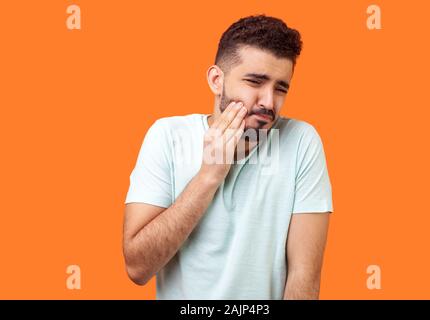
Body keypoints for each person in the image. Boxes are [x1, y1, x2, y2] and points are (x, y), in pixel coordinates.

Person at [123, 15, 334, 299]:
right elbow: (137, 267)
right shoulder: (167, 136)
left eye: (280, 88)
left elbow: (304, 278)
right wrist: (209, 175)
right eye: (255, 82)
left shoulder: (301, 141)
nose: (269, 102)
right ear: (216, 80)